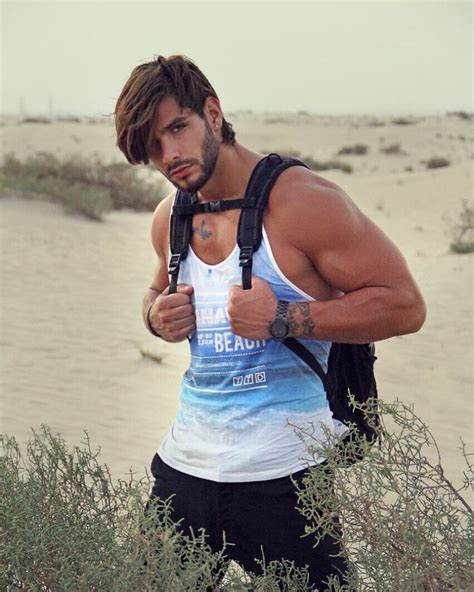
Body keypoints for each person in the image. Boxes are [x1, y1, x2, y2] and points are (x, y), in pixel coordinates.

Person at [114, 55, 426, 589]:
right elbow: (155, 290)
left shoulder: (303, 202)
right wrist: (155, 314)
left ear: (213, 114)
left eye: (176, 129)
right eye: (153, 147)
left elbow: (404, 304)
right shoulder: (171, 218)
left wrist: (283, 316)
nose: (169, 156)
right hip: (184, 470)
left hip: (285, 477)